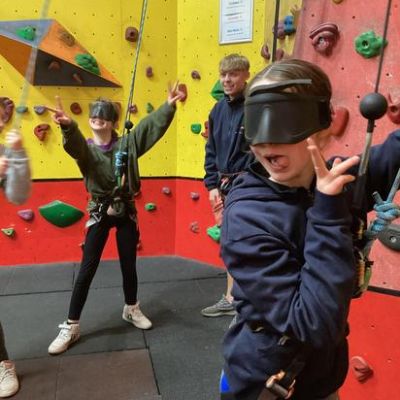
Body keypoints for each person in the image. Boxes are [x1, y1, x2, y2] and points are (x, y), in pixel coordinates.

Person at [219, 59, 400, 399]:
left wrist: (330, 199)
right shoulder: (246, 217)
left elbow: (392, 154)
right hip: (269, 381)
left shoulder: (335, 181)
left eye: (285, 119)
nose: (267, 141)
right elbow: (313, 322)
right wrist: (329, 211)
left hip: (321, 379)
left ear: (322, 126)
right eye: (258, 119)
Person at [47, 83, 184, 355]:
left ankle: (131, 308)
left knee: (128, 263)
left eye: (104, 116)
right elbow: (74, 146)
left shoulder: (127, 144)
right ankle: (71, 325)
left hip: (125, 210)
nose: (98, 119)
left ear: (112, 122)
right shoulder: (86, 150)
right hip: (99, 211)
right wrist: (68, 126)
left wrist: (168, 106)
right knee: (87, 268)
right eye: (94, 116)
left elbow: (148, 128)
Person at [202, 54, 253, 318]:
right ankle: (233, 298)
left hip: (249, 185)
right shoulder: (217, 110)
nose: (227, 79)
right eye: (223, 74)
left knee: (245, 241)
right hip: (223, 185)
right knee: (230, 242)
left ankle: (244, 300)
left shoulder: (255, 106)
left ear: (246, 75)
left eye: (233, 74)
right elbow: (211, 149)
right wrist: (212, 184)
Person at [0, 98, 31, 398]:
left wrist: (18, 154)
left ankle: (2, 363)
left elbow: (18, 195)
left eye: (2, 118)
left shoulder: (4, 151)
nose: (1, 124)